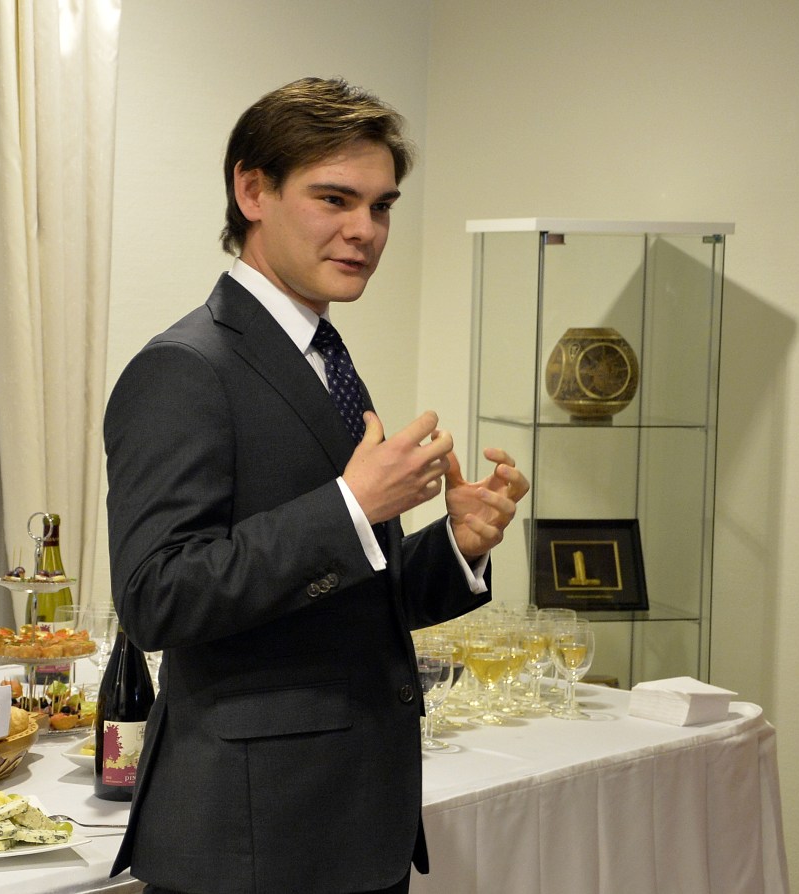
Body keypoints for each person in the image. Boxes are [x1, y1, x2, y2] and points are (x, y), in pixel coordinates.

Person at [103, 76, 529, 894]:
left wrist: (457, 546)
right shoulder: (183, 368)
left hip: (351, 826)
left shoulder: (322, 355)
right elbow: (156, 598)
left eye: (381, 206)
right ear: (251, 191)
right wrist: (352, 507)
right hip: (251, 843)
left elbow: (344, 599)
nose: (365, 230)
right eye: (335, 198)